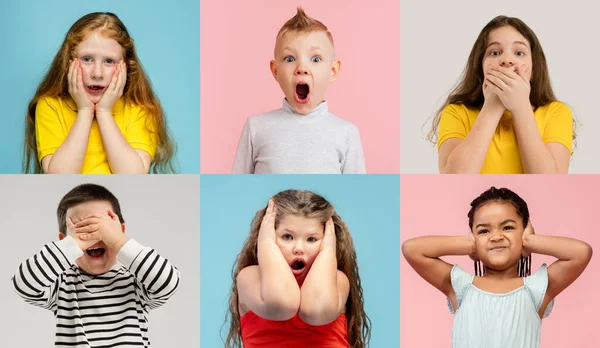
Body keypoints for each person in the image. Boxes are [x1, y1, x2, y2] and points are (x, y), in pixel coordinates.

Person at [402, 187, 592, 347]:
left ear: (525, 232)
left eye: (508, 228)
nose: (496, 237)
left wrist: (529, 241)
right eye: (484, 231)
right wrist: (470, 244)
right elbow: (412, 249)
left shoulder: (536, 289)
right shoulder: (460, 286)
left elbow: (581, 252)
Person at [12, 183, 180, 346]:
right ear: (65, 241)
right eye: (82, 229)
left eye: (103, 228)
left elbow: (167, 282)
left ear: (119, 231)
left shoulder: (136, 281)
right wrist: (73, 245)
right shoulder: (62, 284)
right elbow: (24, 285)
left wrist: (118, 240)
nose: (94, 235)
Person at [24, 12, 177, 174]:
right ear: (68, 63)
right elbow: (60, 176)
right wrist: (85, 111)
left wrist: (104, 112)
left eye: (109, 61)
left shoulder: (140, 108)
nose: (97, 73)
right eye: (87, 59)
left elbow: (134, 177)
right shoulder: (50, 106)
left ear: (126, 66)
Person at [223, 190, 370, 347]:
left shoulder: (337, 280)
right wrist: (266, 244)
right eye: (287, 237)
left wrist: (328, 250)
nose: (299, 248)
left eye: (311, 239)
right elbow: (282, 303)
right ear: (269, 234)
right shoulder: (249, 277)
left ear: (329, 239)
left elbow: (315, 311)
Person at [427, 16, 574, 174]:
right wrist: (493, 106)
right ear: (480, 68)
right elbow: (452, 181)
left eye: (519, 53)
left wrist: (521, 107)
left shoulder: (556, 112)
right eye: (495, 52)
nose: (507, 60)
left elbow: (551, 184)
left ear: (533, 70)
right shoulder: (457, 112)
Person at [232, 7, 366, 174]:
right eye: (290, 59)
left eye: (315, 59)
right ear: (275, 71)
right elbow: (239, 188)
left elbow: (353, 195)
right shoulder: (255, 128)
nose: (301, 68)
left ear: (333, 71)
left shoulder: (347, 133)